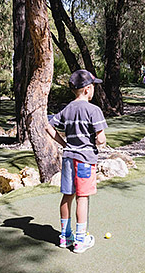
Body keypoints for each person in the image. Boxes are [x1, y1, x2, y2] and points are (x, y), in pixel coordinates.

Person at [46, 69, 107, 253]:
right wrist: (99, 142)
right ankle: (80, 240)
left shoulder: (68, 109)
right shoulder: (94, 110)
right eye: (94, 86)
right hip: (85, 160)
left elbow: (48, 126)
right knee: (82, 197)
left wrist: (63, 143)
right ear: (88, 89)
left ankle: (65, 237)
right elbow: (101, 138)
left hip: (68, 158)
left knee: (67, 195)